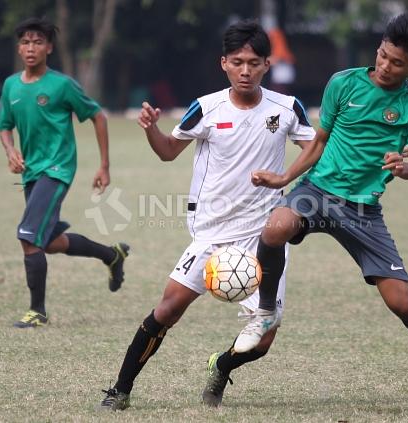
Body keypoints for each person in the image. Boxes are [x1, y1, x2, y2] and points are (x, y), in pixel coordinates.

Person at [231, 13, 408, 387]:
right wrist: (284, 179)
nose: (386, 66)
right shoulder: (343, 83)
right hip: (317, 192)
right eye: (383, 55)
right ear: (378, 49)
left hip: (361, 210)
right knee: (276, 227)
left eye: (397, 63)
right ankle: (264, 312)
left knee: (402, 304)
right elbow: (319, 141)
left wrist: (403, 166)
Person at [98, 20, 315, 411]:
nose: (245, 70)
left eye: (253, 62)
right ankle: (120, 390)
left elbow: (314, 151)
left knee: (263, 340)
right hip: (212, 233)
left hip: (264, 236)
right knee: (167, 309)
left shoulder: (286, 109)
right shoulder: (207, 107)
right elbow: (167, 151)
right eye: (237, 62)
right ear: (224, 63)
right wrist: (151, 129)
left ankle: (222, 365)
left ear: (268, 64)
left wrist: (293, 185)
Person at [0, 18, 129, 329]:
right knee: (49, 242)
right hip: (31, 172)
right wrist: (10, 150)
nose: (31, 48)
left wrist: (104, 165)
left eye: (38, 42)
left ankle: (37, 312)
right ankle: (111, 255)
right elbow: (4, 125)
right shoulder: (11, 85)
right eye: (26, 42)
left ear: (49, 48)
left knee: (28, 237)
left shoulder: (62, 85)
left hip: (57, 169)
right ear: (19, 48)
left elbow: (98, 117)